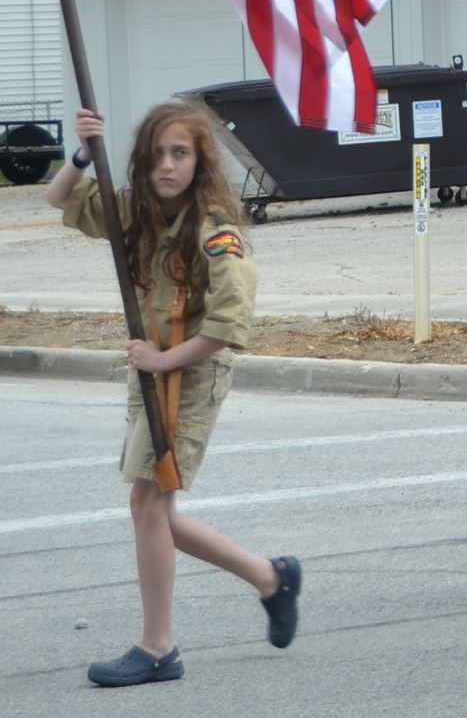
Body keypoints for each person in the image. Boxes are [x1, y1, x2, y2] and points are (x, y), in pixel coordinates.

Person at [49, 102, 300, 686]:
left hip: (189, 376)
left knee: (147, 506)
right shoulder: (138, 213)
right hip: (150, 372)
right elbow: (60, 198)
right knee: (155, 512)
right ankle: (271, 578)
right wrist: (83, 153)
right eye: (157, 154)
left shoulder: (216, 231)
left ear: (199, 162)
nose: (167, 165)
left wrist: (163, 359)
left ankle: (159, 647)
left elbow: (229, 326)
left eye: (180, 153)